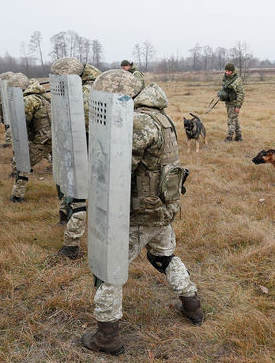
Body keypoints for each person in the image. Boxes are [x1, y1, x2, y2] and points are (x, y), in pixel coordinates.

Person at [81, 70, 203, 356]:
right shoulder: (160, 116)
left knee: (110, 270)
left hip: (142, 213)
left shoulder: (139, 122)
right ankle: (193, 305)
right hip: (161, 208)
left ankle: (107, 337)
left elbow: (118, 167)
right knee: (164, 256)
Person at [49, 58, 102, 260]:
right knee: (70, 188)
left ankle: (71, 246)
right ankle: (65, 217)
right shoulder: (84, 87)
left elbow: (84, 124)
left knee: (79, 195)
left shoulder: (88, 91)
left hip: (88, 148)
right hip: (78, 147)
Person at [10, 77, 52, 203]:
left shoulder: (29, 100)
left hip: (44, 139)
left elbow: (23, 124)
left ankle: (17, 196)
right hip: (52, 137)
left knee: (24, 164)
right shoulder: (41, 96)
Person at [219, 63, 245, 141]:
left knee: (231, 120)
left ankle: (229, 137)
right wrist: (221, 94)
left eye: (229, 71)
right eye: (226, 70)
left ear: (232, 71)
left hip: (234, 103)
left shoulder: (237, 80)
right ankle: (239, 136)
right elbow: (223, 88)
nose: (227, 72)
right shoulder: (225, 79)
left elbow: (241, 94)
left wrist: (238, 106)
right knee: (234, 119)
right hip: (228, 102)